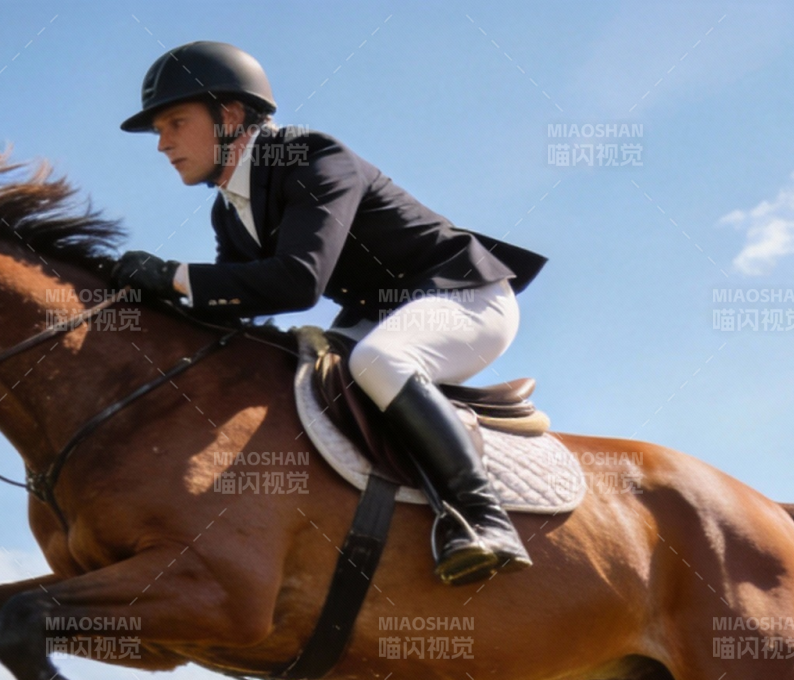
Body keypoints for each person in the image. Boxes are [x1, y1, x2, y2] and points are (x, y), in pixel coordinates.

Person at [113, 41, 548, 584]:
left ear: (229, 116)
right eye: (158, 130)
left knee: (379, 361)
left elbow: (297, 282)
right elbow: (238, 308)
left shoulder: (313, 158)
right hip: (381, 314)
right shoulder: (229, 213)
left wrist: (172, 276)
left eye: (175, 122)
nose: (162, 144)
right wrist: (151, 305)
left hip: (464, 296)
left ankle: (483, 517)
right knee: (299, 379)